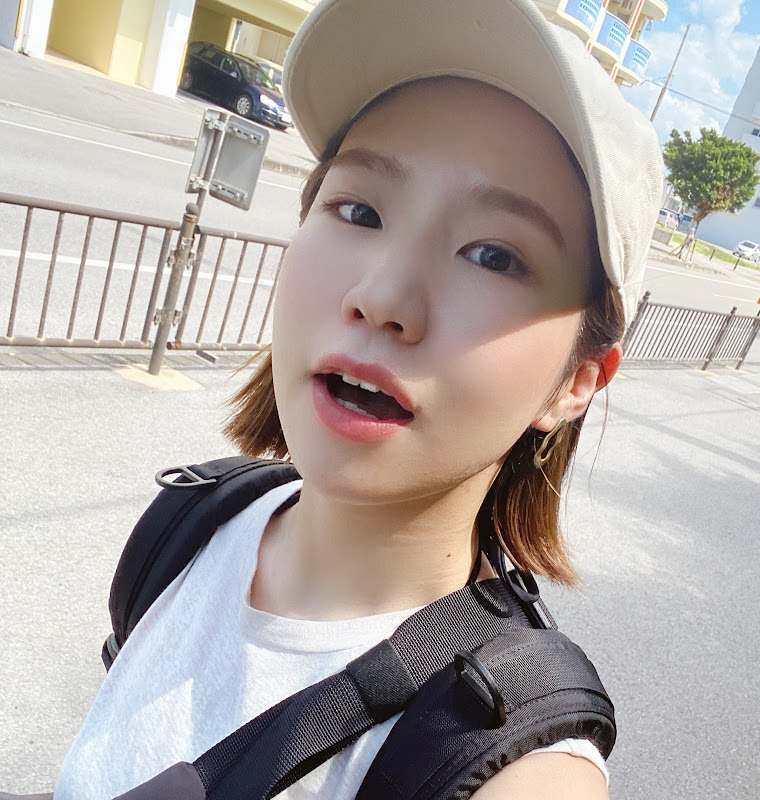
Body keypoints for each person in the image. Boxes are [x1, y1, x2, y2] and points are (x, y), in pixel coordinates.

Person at [50, 0, 663, 797]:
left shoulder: (512, 767)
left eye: (493, 255)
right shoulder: (191, 526)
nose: (381, 297)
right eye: (360, 210)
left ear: (578, 380)